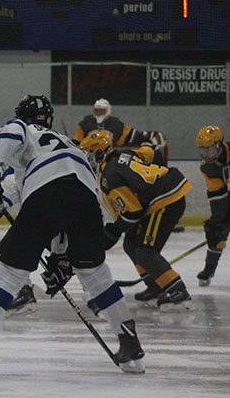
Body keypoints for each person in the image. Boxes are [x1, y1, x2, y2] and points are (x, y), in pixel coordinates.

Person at [0, 94, 144, 375]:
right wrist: (61, 256)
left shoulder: (26, 130)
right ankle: (130, 340)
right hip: (86, 197)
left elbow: (13, 138)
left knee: (8, 271)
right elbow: (50, 196)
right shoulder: (70, 143)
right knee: (95, 274)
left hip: (47, 192)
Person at [79, 128, 193, 309]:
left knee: (145, 251)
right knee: (130, 243)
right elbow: (150, 152)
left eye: (90, 154)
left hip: (164, 201)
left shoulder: (109, 176)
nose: (87, 159)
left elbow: (133, 212)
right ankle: (156, 285)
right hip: (162, 197)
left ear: (100, 153)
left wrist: (113, 231)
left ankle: (178, 291)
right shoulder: (123, 153)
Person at [195, 125, 230, 286]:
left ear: (218, 145)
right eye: (203, 150)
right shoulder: (207, 167)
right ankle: (209, 269)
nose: (205, 154)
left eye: (208, 149)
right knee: (217, 230)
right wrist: (216, 222)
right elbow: (218, 195)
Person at [73, 98, 164, 148]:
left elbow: (137, 136)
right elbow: (76, 143)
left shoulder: (115, 124)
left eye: (101, 111)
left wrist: (151, 141)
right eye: (97, 110)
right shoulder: (85, 123)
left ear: (107, 110)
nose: (99, 113)